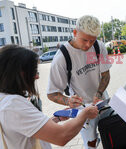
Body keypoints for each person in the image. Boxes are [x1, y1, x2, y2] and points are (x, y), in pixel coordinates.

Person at [0, 45, 98, 149]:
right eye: (34, 71)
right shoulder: (13, 105)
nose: (37, 76)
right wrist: (85, 113)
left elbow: (28, 128)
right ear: (20, 73)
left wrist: (56, 119)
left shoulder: (5, 100)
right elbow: (61, 136)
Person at [47, 15, 111, 149]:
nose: (88, 45)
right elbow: (52, 94)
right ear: (75, 33)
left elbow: (105, 75)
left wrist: (99, 94)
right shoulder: (61, 58)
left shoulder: (99, 47)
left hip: (102, 102)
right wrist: (68, 101)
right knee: (90, 144)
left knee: (113, 135)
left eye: (92, 41)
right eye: (85, 40)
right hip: (83, 110)